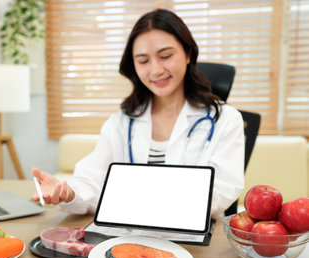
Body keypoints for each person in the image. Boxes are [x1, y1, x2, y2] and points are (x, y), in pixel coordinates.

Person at [32, 8, 244, 217]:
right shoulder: (124, 121)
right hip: (131, 236)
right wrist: (67, 192)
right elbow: (93, 181)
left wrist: (140, 198)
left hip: (192, 239)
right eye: (143, 61)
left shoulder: (224, 119)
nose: (156, 70)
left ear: (188, 54)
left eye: (166, 56)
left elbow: (222, 191)